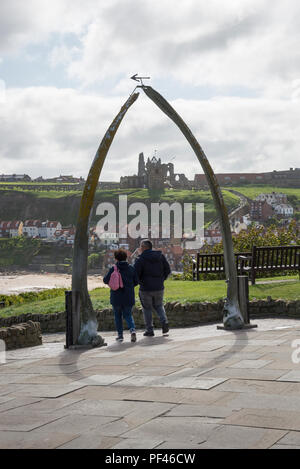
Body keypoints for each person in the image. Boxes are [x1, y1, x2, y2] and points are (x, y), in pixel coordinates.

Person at [134, 239, 171, 336]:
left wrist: (138, 282)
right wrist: (161, 279)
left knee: (147, 308)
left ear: (144, 247)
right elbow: (167, 269)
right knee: (159, 305)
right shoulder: (160, 256)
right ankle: (164, 322)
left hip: (146, 288)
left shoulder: (140, 259)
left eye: (141, 246)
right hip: (159, 287)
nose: (140, 248)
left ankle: (150, 330)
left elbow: (135, 274)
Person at [103, 249, 138, 342]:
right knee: (128, 314)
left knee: (117, 316)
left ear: (116, 258)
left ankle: (120, 335)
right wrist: (129, 286)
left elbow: (105, 280)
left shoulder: (114, 268)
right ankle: (132, 330)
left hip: (116, 296)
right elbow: (136, 281)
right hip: (128, 296)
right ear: (126, 257)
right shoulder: (131, 268)